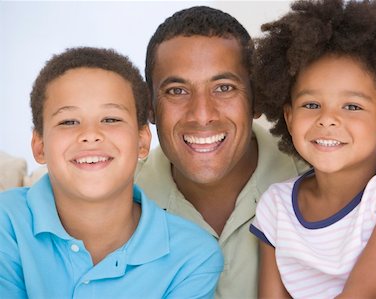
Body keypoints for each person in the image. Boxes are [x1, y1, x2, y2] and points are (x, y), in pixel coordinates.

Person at [249, 0, 376, 297]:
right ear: (289, 118)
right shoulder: (275, 207)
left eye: (352, 106)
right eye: (311, 104)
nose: (327, 119)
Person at [0, 47, 223, 298]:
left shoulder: (193, 256)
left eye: (110, 119)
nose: (90, 134)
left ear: (142, 141)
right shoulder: (6, 224)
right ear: (39, 146)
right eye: (68, 121)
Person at [134, 6, 310, 299]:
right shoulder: (118, 201)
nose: (202, 115)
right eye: (177, 90)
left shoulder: (320, 182)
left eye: (224, 87)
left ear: (257, 98)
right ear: (149, 106)